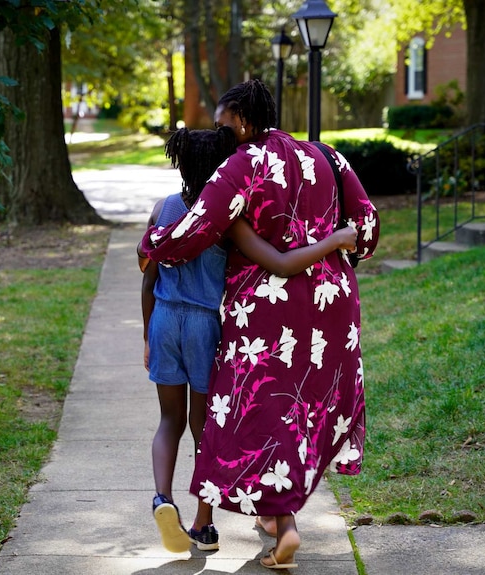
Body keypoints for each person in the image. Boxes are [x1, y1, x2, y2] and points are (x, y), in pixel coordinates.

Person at [141, 79, 380, 570]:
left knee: (263, 412)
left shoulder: (241, 163)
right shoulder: (328, 156)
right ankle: (277, 521)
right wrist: (341, 242)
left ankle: (259, 519)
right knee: (298, 412)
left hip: (267, 309)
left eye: (223, 123)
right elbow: (368, 226)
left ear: (243, 121)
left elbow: (198, 227)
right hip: (333, 303)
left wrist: (150, 247)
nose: (220, 133)